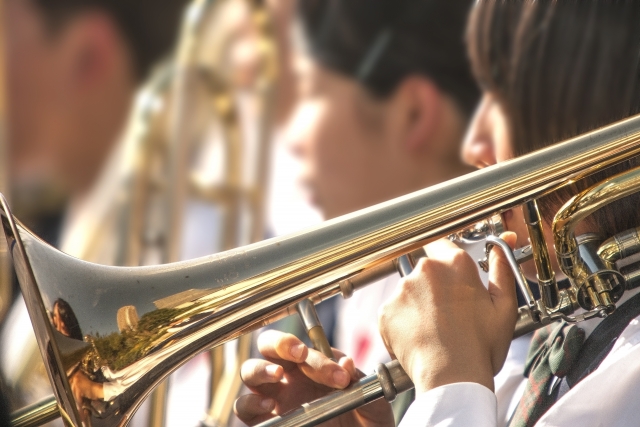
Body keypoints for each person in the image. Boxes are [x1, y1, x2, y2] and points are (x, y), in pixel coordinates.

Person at [234, 1, 640, 426]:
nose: (475, 146)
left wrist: (449, 382)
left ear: (588, 112)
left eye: (501, 99)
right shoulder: (575, 320)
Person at [275, 0, 480, 376]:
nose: (293, 139)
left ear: (413, 113)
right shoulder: (356, 284)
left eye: (312, 94)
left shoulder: (493, 305)